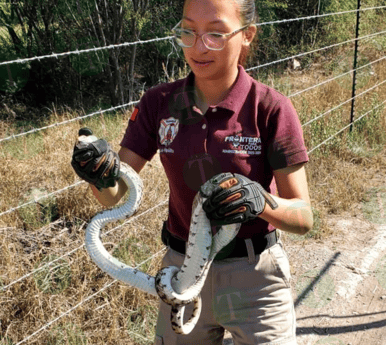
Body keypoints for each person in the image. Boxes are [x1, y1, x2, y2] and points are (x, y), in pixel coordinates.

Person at [71, 0, 313, 344]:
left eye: (215, 34)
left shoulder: (271, 107)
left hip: (255, 276)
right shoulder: (158, 102)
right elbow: (115, 193)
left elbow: (304, 217)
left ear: (247, 35)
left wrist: (260, 201)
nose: (199, 47)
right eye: (188, 31)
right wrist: (100, 174)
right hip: (181, 270)